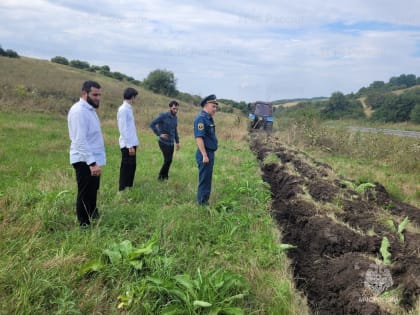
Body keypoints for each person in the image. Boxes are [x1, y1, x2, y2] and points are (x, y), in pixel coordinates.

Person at [67, 80, 105, 227]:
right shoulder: (79, 111)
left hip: (92, 159)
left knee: (92, 189)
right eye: (95, 94)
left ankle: (92, 213)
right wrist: (92, 163)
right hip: (84, 160)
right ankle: (84, 224)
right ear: (84, 93)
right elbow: (79, 140)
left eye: (99, 95)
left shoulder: (89, 110)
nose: (98, 98)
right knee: (84, 192)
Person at [194, 94, 218, 205]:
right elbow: (199, 138)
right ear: (206, 105)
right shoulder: (201, 119)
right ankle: (202, 203)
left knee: (208, 178)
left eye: (216, 107)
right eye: (213, 106)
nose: (215, 109)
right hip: (205, 153)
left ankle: (205, 201)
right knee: (204, 179)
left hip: (209, 153)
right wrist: (204, 155)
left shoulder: (209, 118)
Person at [149, 100, 180, 180]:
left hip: (171, 143)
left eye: (177, 109)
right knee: (167, 160)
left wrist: (177, 142)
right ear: (170, 107)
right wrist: (160, 134)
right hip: (163, 142)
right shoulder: (163, 116)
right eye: (174, 109)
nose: (175, 110)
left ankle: (165, 177)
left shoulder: (175, 118)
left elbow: (175, 130)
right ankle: (160, 177)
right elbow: (152, 124)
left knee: (169, 160)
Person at [117, 87, 140, 191]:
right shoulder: (123, 109)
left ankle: (129, 186)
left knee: (132, 166)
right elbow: (123, 128)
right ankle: (122, 188)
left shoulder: (129, 108)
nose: (136, 100)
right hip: (127, 144)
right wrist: (129, 145)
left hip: (132, 142)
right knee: (126, 166)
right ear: (132, 97)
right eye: (135, 97)